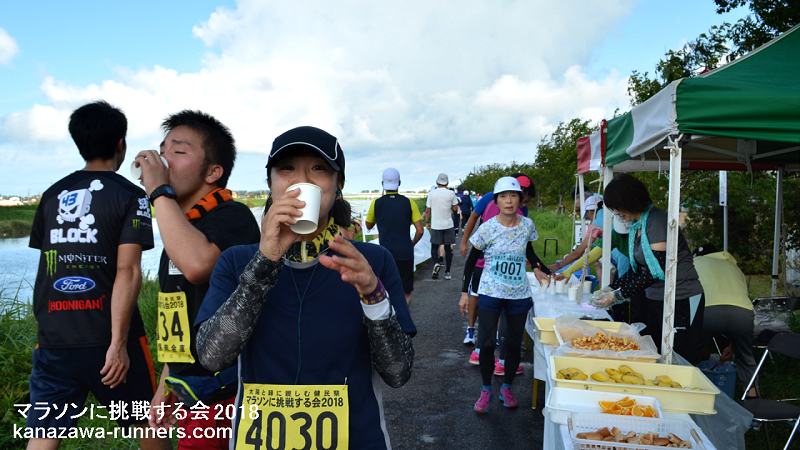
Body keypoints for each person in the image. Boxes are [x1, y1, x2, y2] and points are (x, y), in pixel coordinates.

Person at [193, 126, 416, 449]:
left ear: (338, 185)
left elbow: (398, 372)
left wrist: (373, 295)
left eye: (319, 169)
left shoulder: (371, 263)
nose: (303, 181)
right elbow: (212, 356)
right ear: (270, 183)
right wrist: (264, 262)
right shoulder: (237, 262)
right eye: (287, 169)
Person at [27, 101, 166, 449]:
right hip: (109, 341)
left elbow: (49, 266)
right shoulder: (131, 196)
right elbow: (128, 270)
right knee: (149, 422)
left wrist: (45, 334)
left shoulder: (52, 195)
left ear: (79, 143)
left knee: (44, 434)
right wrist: (118, 345)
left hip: (54, 341)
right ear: (121, 143)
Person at [139, 110, 261, 449]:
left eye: (178, 151)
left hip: (226, 390)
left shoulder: (233, 217)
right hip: (188, 385)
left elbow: (197, 266)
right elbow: (175, 317)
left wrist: (159, 191)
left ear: (213, 172)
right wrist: (166, 384)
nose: (164, 160)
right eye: (162, 152)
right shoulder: (179, 231)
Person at [592, 173, 705, 364]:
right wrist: (611, 287)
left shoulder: (656, 221)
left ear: (630, 201)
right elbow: (638, 269)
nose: (617, 213)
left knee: (679, 356)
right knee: (656, 353)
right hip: (656, 298)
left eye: (618, 208)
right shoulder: (637, 225)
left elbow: (654, 270)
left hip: (680, 298)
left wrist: (618, 295)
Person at [462, 177, 538, 414]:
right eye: (503, 196)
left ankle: (506, 387)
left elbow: (529, 252)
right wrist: (464, 292)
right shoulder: (487, 228)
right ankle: (486, 389)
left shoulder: (527, 225)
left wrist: (542, 268)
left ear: (520, 199)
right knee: (486, 343)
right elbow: (471, 261)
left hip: (518, 294)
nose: (509, 201)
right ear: (496, 201)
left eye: (513, 196)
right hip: (491, 292)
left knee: (513, 344)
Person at [693, 247, 757, 397]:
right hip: (742, 313)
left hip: (708, 310)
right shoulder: (733, 266)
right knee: (745, 358)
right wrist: (732, 346)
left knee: (694, 352)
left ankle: (696, 391)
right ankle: (753, 399)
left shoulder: (694, 262)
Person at [365, 168, 424, 304]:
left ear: (382, 184)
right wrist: (412, 243)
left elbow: (368, 225)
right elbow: (420, 231)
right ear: (399, 183)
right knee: (406, 290)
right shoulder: (409, 202)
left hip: (385, 253)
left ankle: (391, 313)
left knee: (386, 288)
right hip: (405, 251)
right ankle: (403, 313)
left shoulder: (376, 203)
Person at [425, 173, 459, 280]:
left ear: (437, 182)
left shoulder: (431, 194)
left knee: (434, 247)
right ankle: (447, 272)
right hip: (448, 225)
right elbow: (455, 209)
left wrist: (427, 222)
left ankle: (436, 263)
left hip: (436, 225)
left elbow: (427, 211)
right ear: (447, 183)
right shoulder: (451, 193)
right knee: (448, 249)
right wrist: (451, 208)